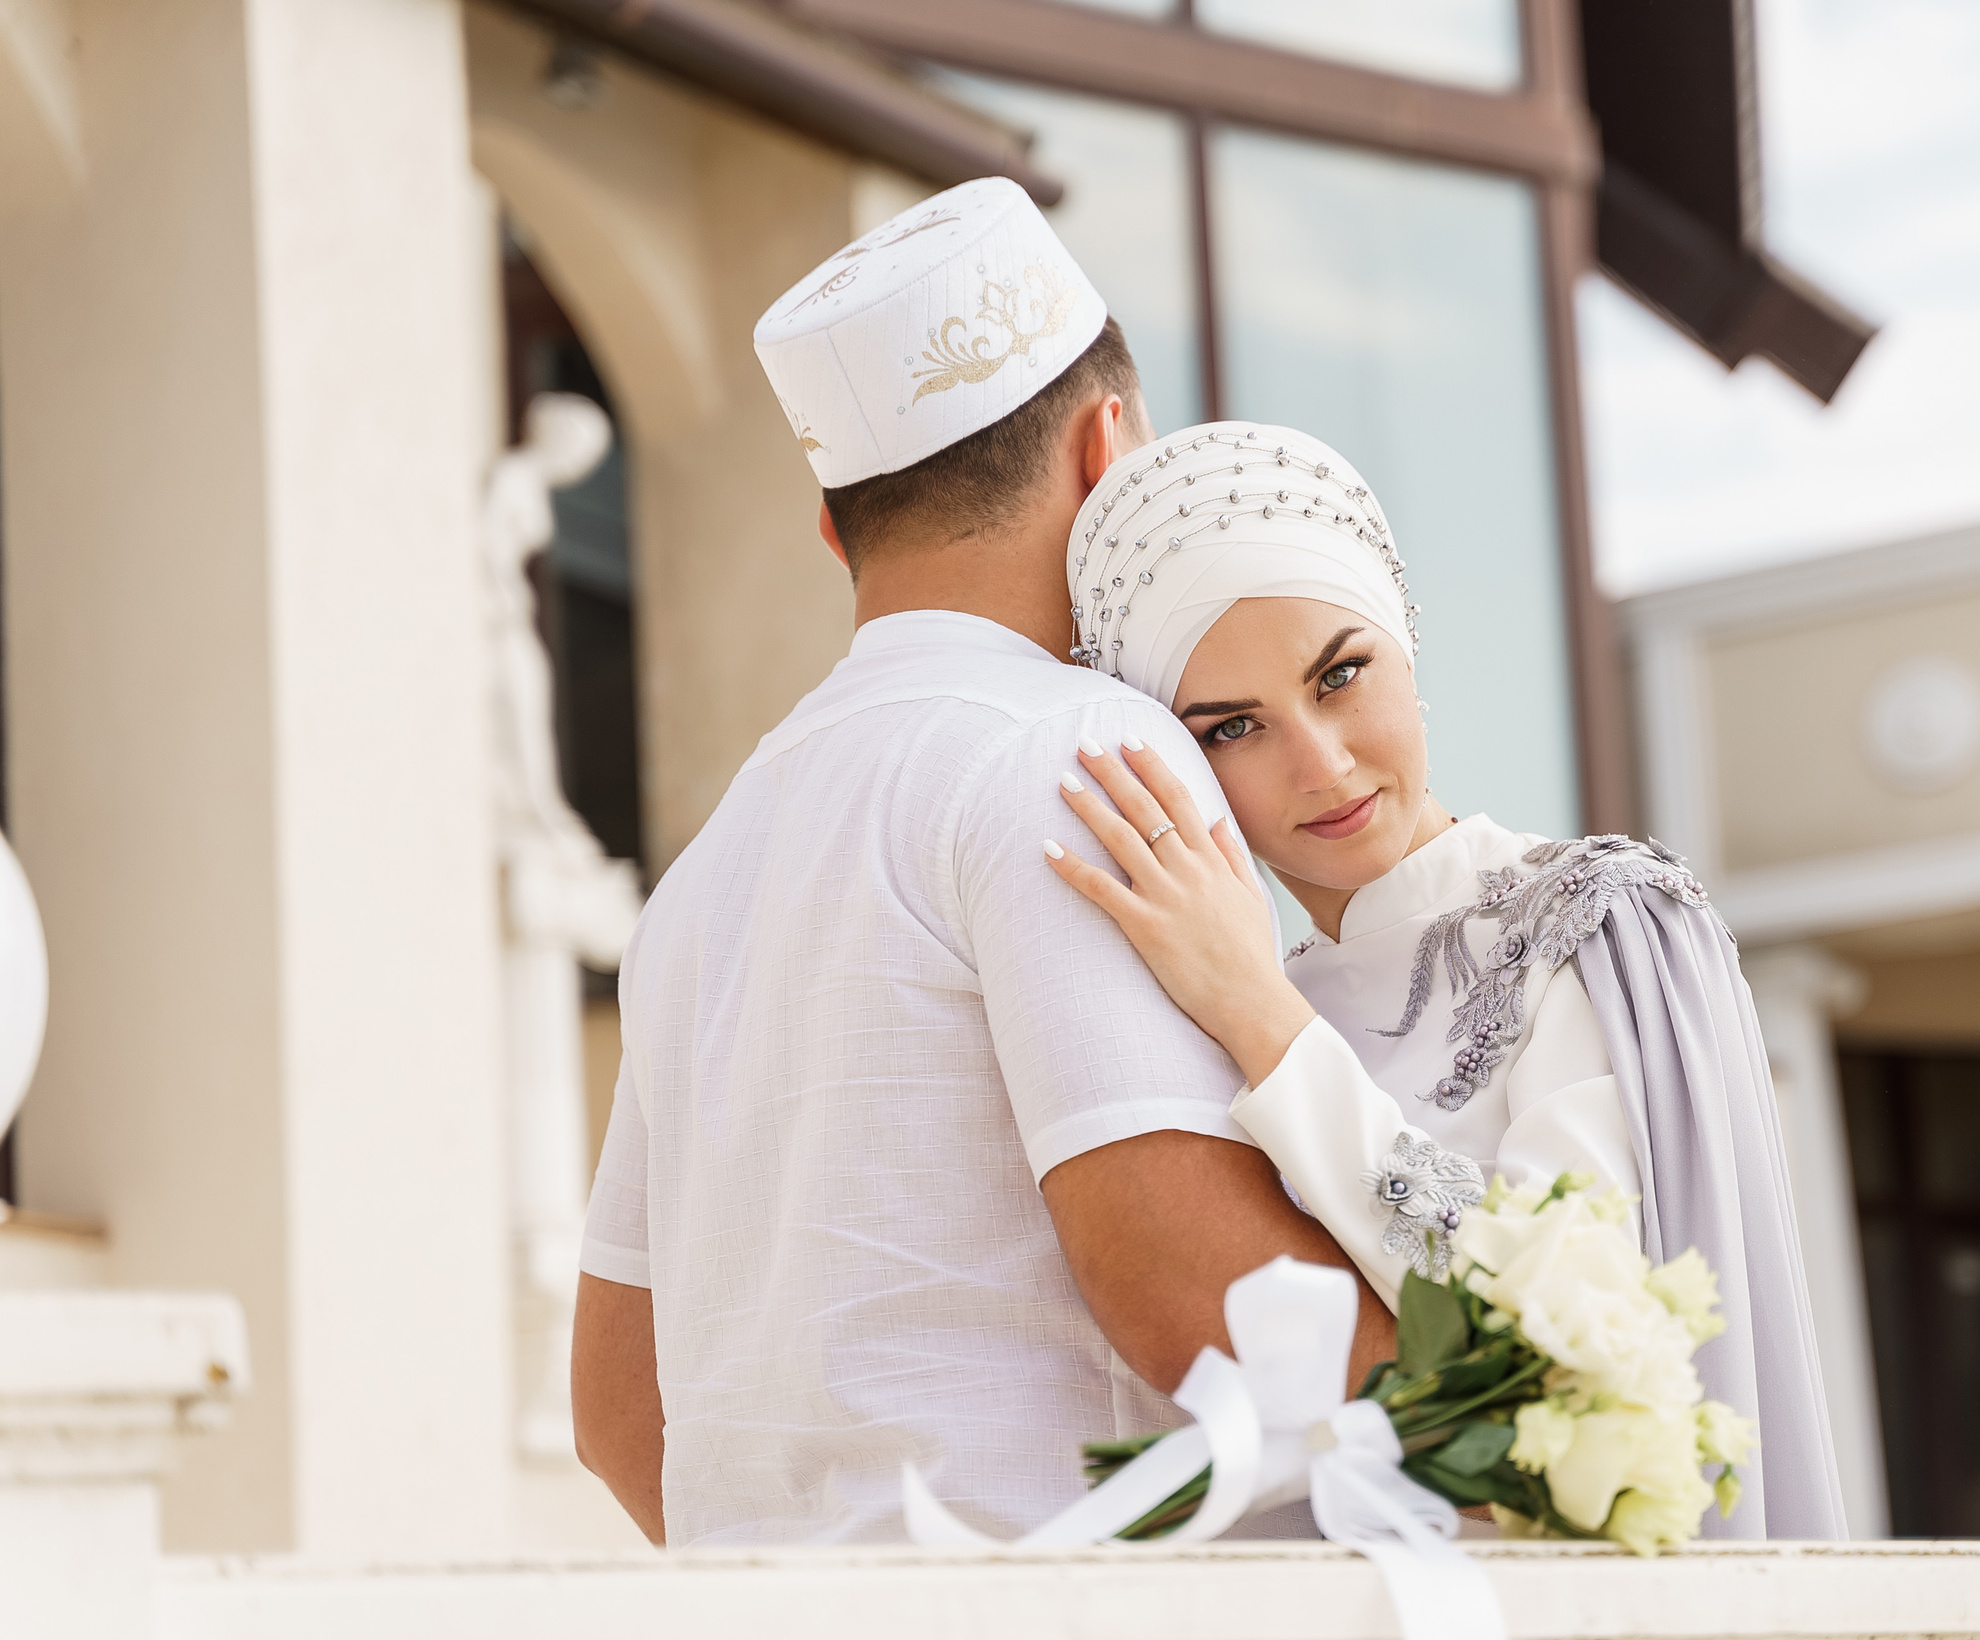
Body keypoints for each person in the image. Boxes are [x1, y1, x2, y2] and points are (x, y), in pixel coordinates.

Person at [570, 185, 1390, 1547]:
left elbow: (614, 1411)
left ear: (836, 531)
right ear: (1107, 445)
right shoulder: (1076, 744)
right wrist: (1521, 1386)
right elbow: (1189, 1292)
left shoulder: (705, 868)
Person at [1042, 421, 1848, 1540]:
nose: (1319, 764)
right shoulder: (1218, 1010)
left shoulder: (1600, 924)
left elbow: (1556, 1357)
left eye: (1339, 673)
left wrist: (1261, 1019)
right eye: (1232, 728)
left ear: (1404, 640)